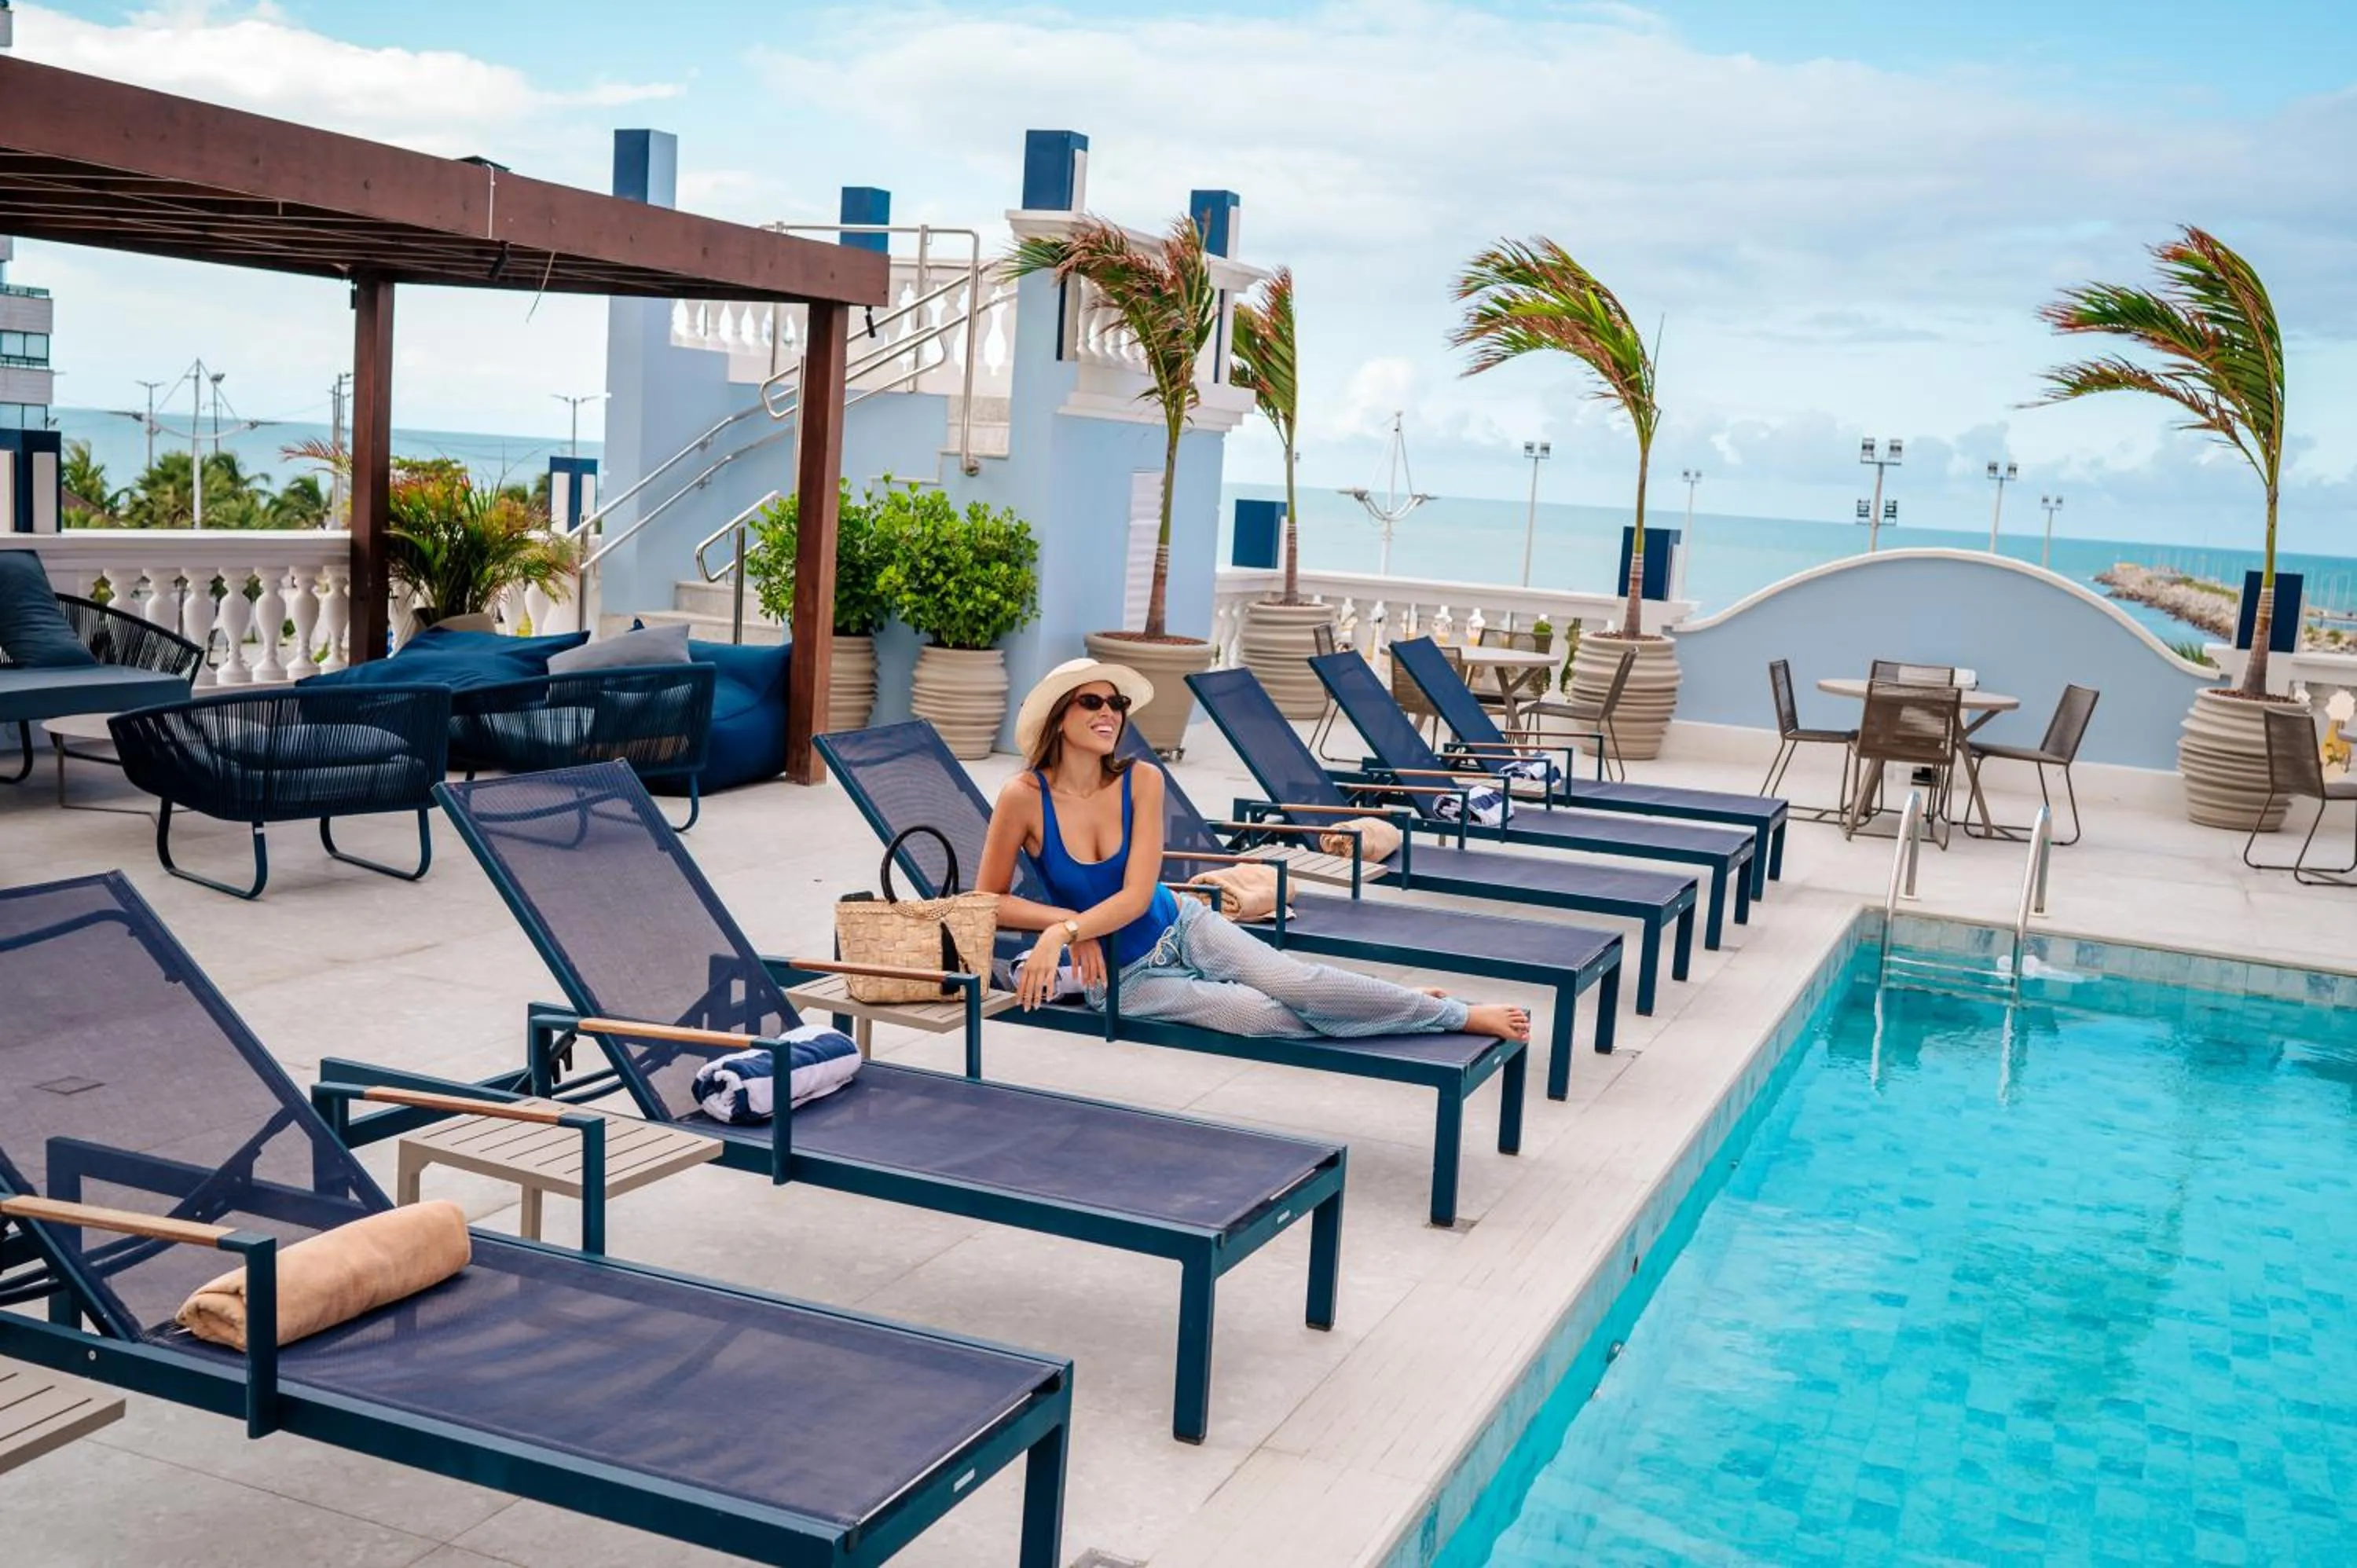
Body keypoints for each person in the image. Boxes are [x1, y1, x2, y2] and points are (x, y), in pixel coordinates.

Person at [977, 658, 1531, 1042]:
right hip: (1125, 980)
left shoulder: (1141, 780)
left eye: (1117, 703)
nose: (1110, 713)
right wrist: (1074, 922)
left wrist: (1064, 931)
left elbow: (1139, 894)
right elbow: (987, 900)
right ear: (1059, 717)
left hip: (1184, 923)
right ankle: (1391, 1003)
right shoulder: (1023, 799)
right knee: (1265, 1016)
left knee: (1299, 984)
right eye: (1091, 702)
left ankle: (1452, 1014)